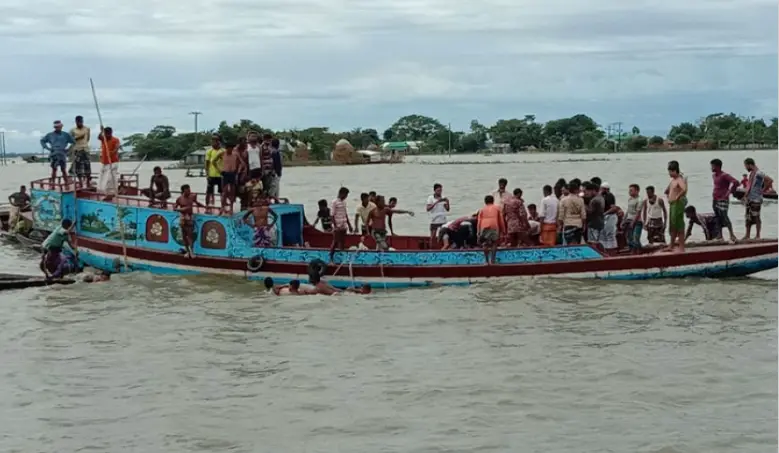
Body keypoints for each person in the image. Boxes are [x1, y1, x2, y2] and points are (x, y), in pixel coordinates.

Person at [709, 158, 739, 242]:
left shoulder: (724, 175)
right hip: (715, 198)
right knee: (717, 217)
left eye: (712, 166)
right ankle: (720, 236)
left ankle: (732, 235)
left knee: (724, 216)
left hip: (723, 199)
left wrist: (729, 192)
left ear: (717, 166)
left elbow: (736, 182)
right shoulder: (714, 176)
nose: (711, 168)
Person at [174, 184, 206, 257]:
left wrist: (204, 206)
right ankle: (187, 252)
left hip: (190, 217)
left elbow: (197, 203)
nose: (189, 191)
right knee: (184, 236)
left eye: (189, 189)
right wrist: (183, 209)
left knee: (190, 235)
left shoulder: (192, 197)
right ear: (183, 191)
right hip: (182, 217)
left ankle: (191, 251)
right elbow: (175, 207)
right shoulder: (179, 199)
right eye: (188, 190)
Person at [40, 120, 75, 185]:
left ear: (61, 126)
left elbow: (74, 142)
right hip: (54, 154)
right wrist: (47, 148)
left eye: (59, 127)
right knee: (54, 169)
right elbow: (42, 141)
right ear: (54, 127)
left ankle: (66, 183)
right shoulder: (50, 135)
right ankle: (53, 184)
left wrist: (68, 149)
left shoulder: (66, 135)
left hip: (62, 154)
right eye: (56, 127)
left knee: (63, 170)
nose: (58, 128)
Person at [666, 160, 688, 252]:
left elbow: (684, 189)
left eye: (671, 171)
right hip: (672, 204)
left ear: (675, 171)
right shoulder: (673, 181)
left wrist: (677, 197)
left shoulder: (679, 179)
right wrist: (668, 196)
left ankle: (681, 247)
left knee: (679, 224)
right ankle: (671, 245)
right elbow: (667, 190)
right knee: (673, 225)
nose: (669, 173)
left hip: (677, 204)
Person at [477, 195, 505, 265]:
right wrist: (503, 230)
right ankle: (493, 260)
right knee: (494, 243)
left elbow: (479, 221)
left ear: (485, 202)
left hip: (484, 225)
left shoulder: (482, 209)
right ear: (493, 201)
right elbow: (501, 220)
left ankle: (486, 261)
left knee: (485, 244)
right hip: (494, 225)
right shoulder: (497, 208)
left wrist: (478, 231)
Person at [329, 187, 353, 263]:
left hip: (343, 224)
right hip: (338, 225)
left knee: (342, 241)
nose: (346, 196)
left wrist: (349, 225)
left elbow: (345, 214)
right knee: (335, 241)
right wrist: (335, 226)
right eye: (346, 195)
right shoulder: (334, 202)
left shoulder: (344, 202)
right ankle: (331, 257)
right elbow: (332, 215)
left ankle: (341, 257)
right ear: (341, 193)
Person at [742, 157, 764, 240]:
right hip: (750, 199)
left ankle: (757, 235)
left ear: (750, 165)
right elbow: (749, 186)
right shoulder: (752, 173)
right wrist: (745, 196)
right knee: (748, 218)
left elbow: (769, 180)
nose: (745, 168)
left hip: (756, 199)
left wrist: (762, 191)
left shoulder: (759, 173)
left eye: (746, 166)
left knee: (756, 217)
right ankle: (747, 235)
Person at [97, 126, 121, 199]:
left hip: (113, 162)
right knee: (102, 178)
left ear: (111, 133)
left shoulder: (115, 140)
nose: (107, 136)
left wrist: (111, 152)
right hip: (104, 163)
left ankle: (111, 193)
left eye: (108, 134)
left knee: (110, 178)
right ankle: (103, 192)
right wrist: (101, 131)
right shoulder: (103, 139)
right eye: (105, 134)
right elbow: (99, 137)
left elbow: (117, 148)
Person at [69, 115, 91, 186]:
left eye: (81, 122)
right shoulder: (72, 130)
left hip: (85, 149)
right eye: (78, 122)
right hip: (77, 149)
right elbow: (70, 140)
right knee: (78, 166)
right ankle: (80, 181)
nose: (79, 123)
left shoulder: (87, 129)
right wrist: (78, 138)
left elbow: (88, 139)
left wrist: (84, 143)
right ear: (76, 122)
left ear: (82, 121)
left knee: (87, 165)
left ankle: (88, 181)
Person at [598, 181, 619, 252]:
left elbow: (613, 208)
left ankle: (611, 250)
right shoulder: (600, 196)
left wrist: (605, 213)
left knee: (609, 234)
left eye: (602, 189)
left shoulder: (609, 196)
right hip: (603, 217)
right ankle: (604, 249)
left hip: (610, 217)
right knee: (602, 234)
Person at [204, 135, 224, 207]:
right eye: (212, 141)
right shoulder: (209, 151)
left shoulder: (223, 151)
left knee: (222, 192)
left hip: (220, 175)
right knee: (209, 192)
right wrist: (207, 175)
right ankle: (207, 205)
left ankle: (223, 206)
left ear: (219, 141)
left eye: (215, 141)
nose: (213, 142)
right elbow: (207, 164)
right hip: (211, 175)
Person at [220, 145, 241, 213]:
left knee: (232, 192)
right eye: (228, 149)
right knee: (224, 192)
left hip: (232, 173)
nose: (230, 150)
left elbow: (241, 163)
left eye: (231, 149)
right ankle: (222, 207)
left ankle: (231, 208)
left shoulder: (235, 154)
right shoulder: (222, 153)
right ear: (226, 149)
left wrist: (238, 171)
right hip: (225, 173)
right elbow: (213, 161)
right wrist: (219, 169)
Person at [623, 184, 643, 252]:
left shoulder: (639, 200)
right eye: (629, 190)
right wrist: (623, 220)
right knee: (629, 238)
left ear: (637, 191)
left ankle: (639, 252)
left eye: (631, 190)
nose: (629, 192)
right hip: (629, 220)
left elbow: (638, 213)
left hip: (637, 221)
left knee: (635, 238)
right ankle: (632, 251)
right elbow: (628, 211)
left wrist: (633, 222)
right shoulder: (630, 199)